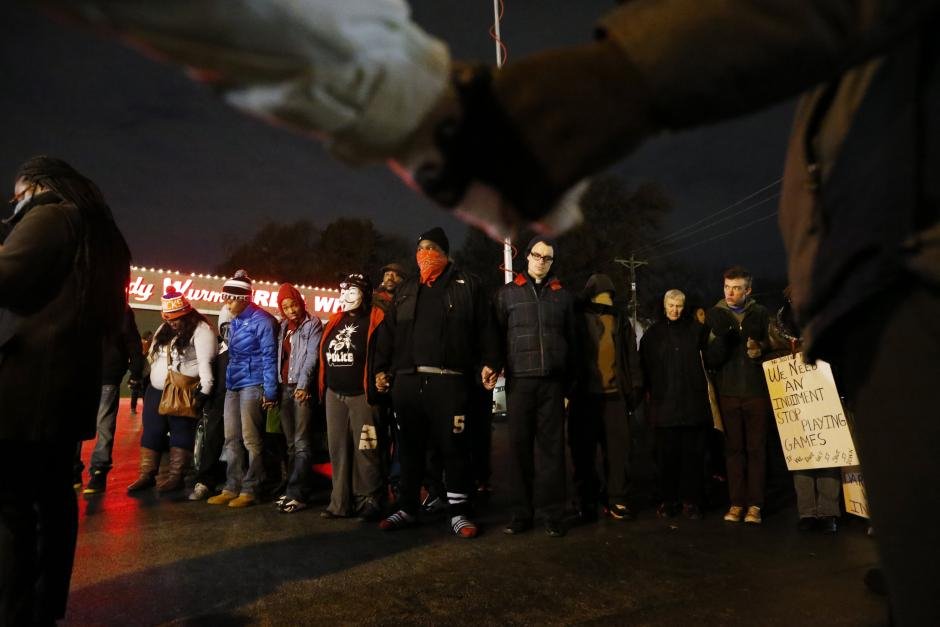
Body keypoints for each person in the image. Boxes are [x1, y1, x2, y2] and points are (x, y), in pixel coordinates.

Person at [36, 2, 940, 620]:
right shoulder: (468, 291)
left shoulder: (505, 293)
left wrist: (611, 79)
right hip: (871, 264)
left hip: (904, 258)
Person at [0, 156, 130, 625]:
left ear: (36, 185)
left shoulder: (54, 214)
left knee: (15, 508)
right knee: (51, 501)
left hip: (26, 386)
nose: (15, 207)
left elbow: (7, 275)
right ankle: (42, 607)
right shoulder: (105, 235)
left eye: (17, 197)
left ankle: (14, 609)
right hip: (64, 387)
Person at [373, 227, 488, 539]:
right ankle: (408, 507)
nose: (425, 253)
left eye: (432, 247)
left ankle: (459, 511)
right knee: (409, 449)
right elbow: (388, 334)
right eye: (421, 246)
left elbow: (484, 328)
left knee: (454, 449)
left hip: (449, 382)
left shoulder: (468, 285)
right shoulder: (408, 289)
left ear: (446, 252)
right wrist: (381, 368)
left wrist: (490, 362)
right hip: (408, 383)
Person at [481, 236, 576, 537]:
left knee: (552, 452)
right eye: (537, 255)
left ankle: (553, 513)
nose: (541, 261)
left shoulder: (563, 297)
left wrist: (570, 387)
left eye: (547, 258)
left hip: (553, 383)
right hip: (520, 382)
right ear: (528, 257)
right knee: (518, 449)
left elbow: (574, 343)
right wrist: (492, 366)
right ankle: (521, 513)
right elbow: (495, 336)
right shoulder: (506, 294)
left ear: (552, 262)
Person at [568, 273, 643, 524]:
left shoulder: (620, 320)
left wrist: (634, 387)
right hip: (585, 397)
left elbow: (631, 354)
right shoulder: (576, 318)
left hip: (614, 397)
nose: (605, 301)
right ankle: (587, 499)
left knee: (619, 453)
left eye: (608, 297)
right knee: (584, 453)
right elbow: (569, 353)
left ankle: (616, 498)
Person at [128, 291, 217, 493]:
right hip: (157, 390)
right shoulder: (164, 328)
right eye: (168, 318)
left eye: (176, 318)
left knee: (180, 431)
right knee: (152, 430)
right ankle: (147, 474)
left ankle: (176, 476)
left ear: (187, 313)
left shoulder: (202, 330)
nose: (172, 322)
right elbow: (154, 356)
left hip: (183, 390)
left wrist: (206, 389)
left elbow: (206, 362)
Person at [704, 267, 771, 525]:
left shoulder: (761, 313)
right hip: (729, 392)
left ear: (748, 290)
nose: (730, 293)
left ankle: (755, 505)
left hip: (756, 392)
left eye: (736, 288)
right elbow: (709, 358)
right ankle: (736, 503)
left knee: (756, 450)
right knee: (733, 450)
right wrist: (724, 340)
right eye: (727, 287)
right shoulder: (716, 316)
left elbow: (773, 345)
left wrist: (761, 348)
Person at [207, 270, 279, 508]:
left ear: (242, 298)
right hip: (234, 386)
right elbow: (233, 356)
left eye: (229, 298)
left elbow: (270, 356)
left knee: (251, 439)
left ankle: (252, 487)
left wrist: (269, 390)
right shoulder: (235, 321)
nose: (225, 303)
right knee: (231, 438)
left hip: (253, 384)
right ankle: (232, 486)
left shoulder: (263, 321)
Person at [317, 273, 387, 520]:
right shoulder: (335, 320)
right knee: (338, 449)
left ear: (365, 295)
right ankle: (340, 502)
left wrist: (381, 375)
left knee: (367, 449)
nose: (345, 296)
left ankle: (370, 500)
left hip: (363, 395)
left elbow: (385, 352)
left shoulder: (377, 319)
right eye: (342, 290)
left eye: (352, 291)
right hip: (335, 394)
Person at [640, 289, 711, 520]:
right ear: (664, 305)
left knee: (693, 458)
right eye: (671, 305)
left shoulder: (697, 331)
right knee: (666, 458)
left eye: (679, 305)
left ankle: (692, 501)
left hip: (693, 406)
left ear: (684, 306)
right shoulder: (652, 335)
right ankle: (668, 500)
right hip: (664, 406)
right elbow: (643, 367)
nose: (675, 310)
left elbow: (711, 361)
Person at [79, 305, 145, 494]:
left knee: (76, 421)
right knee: (104, 424)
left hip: (88, 372)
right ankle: (98, 472)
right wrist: (135, 372)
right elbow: (133, 342)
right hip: (107, 372)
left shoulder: (85, 302)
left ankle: (76, 472)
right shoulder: (121, 309)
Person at [274, 283, 323, 513]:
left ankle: (299, 494)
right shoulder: (283, 327)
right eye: (286, 306)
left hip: (301, 388)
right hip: (283, 387)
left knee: (302, 442)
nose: (291, 310)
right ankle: (290, 490)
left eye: (294, 304)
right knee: (291, 444)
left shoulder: (312, 324)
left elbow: (312, 356)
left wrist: (303, 385)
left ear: (301, 303)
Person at [190, 304, 234, 500]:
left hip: (238, 397)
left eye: (232, 327)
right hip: (218, 400)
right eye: (225, 327)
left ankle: (234, 482)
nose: (228, 331)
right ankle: (205, 481)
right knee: (212, 439)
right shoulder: (217, 344)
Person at [131, 329, 153, 415]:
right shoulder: (144, 344)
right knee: (141, 390)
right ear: (148, 337)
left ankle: (135, 408)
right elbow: (142, 355)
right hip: (142, 371)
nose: (152, 338)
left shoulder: (142, 344)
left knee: (138, 390)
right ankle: (140, 408)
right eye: (151, 337)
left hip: (141, 371)